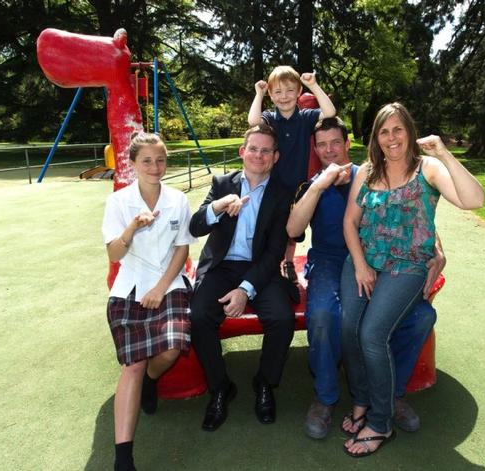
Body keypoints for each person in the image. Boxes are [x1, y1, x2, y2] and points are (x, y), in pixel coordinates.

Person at [341, 103, 485, 458]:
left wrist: (445, 153)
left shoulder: (428, 168)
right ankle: (360, 399)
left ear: (409, 131)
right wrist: (360, 265)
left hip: (406, 266)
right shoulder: (367, 172)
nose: (391, 138)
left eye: (398, 130)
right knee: (349, 326)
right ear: (376, 136)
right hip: (365, 258)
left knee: (373, 334)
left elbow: (474, 200)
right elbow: (349, 223)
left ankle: (381, 420)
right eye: (384, 131)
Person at [286, 117, 443, 440]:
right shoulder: (311, 185)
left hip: (378, 259)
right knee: (324, 316)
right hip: (330, 262)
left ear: (347, 144)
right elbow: (292, 229)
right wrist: (320, 184)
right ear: (315, 149)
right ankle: (326, 397)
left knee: (422, 317)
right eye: (322, 145)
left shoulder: (373, 175)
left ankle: (390, 393)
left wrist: (438, 249)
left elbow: (412, 212)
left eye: (335, 143)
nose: (329, 150)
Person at [189, 124, 296, 432]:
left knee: (281, 318)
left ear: (275, 157)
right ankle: (220, 387)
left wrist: (245, 290)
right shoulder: (222, 183)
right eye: (253, 149)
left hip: (260, 268)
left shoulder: (282, 192)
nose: (258, 156)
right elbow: (196, 227)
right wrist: (217, 207)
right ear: (242, 152)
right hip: (221, 267)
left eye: (266, 151)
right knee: (198, 316)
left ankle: (265, 383)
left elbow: (275, 251)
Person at [101, 132, 197, 471]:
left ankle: (152, 383)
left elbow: (182, 248)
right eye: (147, 161)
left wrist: (161, 287)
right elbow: (114, 252)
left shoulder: (177, 200)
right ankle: (123, 458)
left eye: (160, 160)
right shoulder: (119, 202)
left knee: (171, 348)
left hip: (169, 284)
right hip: (129, 288)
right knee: (134, 364)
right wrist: (131, 228)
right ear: (132, 164)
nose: (155, 167)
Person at [248, 65, 336, 281]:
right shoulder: (269, 117)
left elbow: (330, 112)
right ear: (271, 95)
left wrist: (313, 86)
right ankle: (269, 262)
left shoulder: (306, 117)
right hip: (273, 182)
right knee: (271, 224)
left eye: (289, 90)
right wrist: (258, 94)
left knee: (292, 230)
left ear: (298, 92)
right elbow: (253, 121)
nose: (284, 96)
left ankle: (288, 262)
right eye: (277, 92)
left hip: (297, 184)